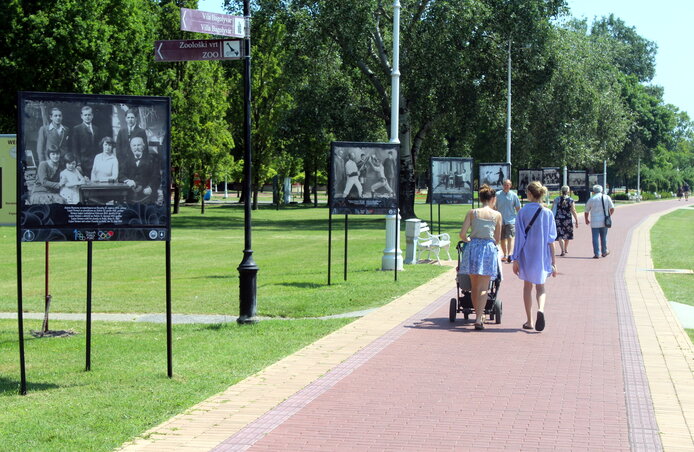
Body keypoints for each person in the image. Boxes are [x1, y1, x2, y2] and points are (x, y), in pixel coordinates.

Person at [511, 181, 557, 331]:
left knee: (527, 286)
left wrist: (515, 258)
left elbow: (519, 237)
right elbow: (552, 240)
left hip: (526, 253)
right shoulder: (548, 213)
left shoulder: (522, 212)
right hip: (542, 254)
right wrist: (554, 262)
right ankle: (541, 309)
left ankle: (529, 320)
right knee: (541, 287)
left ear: (529, 194)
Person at [458, 184, 502, 330]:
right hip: (488, 249)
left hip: (472, 249)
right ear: (493, 199)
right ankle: (479, 317)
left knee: (474, 286)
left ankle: (478, 315)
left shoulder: (472, 212)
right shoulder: (497, 215)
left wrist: (469, 240)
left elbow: (463, 234)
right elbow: (497, 238)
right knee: (484, 286)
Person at [119, 136, 161, 203]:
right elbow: (121, 175)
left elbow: (156, 177)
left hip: (147, 195)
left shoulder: (152, 160)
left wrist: (150, 187)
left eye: (139, 145)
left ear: (143, 147)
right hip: (130, 196)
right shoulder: (126, 161)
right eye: (134, 145)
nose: (136, 148)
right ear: (131, 148)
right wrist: (127, 181)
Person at [584, 184, 615, 259]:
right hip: (604, 221)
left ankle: (597, 253)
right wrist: (609, 215)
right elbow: (612, 208)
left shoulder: (591, 199)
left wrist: (586, 219)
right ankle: (604, 252)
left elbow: (586, 211)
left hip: (594, 221)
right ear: (601, 190)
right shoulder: (606, 197)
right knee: (604, 237)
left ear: (593, 191)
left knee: (595, 238)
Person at [495, 179, 521, 263]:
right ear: (503, 185)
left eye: (508, 185)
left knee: (510, 237)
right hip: (500, 220)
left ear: (510, 185)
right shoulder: (497, 195)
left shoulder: (514, 195)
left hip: (511, 220)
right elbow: (494, 207)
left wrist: (520, 218)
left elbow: (518, 208)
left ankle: (510, 254)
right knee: (502, 238)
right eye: (505, 184)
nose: (506, 186)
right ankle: (505, 254)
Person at [70, 105, 99, 176]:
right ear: (81, 116)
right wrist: (78, 163)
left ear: (92, 116)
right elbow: (75, 148)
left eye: (89, 115)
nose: (87, 117)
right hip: (83, 163)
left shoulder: (96, 129)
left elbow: (98, 147)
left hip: (95, 162)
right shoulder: (77, 129)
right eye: (85, 115)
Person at [551, 185, 579, 256]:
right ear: (568, 191)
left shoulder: (557, 199)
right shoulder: (571, 200)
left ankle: (563, 250)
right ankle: (565, 249)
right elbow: (573, 210)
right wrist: (576, 220)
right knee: (567, 234)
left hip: (558, 219)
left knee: (560, 235)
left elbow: (552, 209)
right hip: (567, 219)